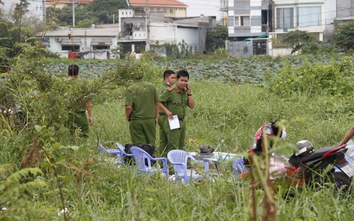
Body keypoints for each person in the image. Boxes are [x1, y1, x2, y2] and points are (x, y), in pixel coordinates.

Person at [158, 70, 194, 156]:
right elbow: (158, 102)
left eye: (185, 81)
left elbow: (191, 106)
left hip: (182, 121)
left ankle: (178, 166)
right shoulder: (170, 91)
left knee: (180, 146)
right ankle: (171, 167)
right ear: (177, 80)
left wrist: (189, 93)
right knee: (173, 146)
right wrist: (167, 111)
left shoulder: (185, 93)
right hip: (173, 120)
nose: (183, 83)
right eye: (181, 80)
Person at [125, 70, 159, 145]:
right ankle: (151, 156)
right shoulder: (151, 86)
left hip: (136, 120)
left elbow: (128, 107)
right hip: (150, 120)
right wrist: (155, 117)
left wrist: (127, 116)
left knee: (140, 145)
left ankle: (141, 157)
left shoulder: (130, 88)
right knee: (151, 143)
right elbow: (157, 104)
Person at [67, 64, 93, 138]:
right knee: (84, 135)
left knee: (71, 135)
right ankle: (83, 149)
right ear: (78, 73)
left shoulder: (64, 84)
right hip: (80, 115)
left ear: (68, 73)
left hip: (68, 114)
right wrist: (90, 116)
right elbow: (87, 101)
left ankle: (71, 149)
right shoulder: (82, 84)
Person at [158, 70, 176, 154]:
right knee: (170, 140)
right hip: (166, 117)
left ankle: (161, 159)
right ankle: (170, 159)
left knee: (163, 141)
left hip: (160, 116)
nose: (174, 80)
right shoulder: (167, 89)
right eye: (172, 78)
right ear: (166, 78)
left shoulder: (160, 88)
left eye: (174, 78)